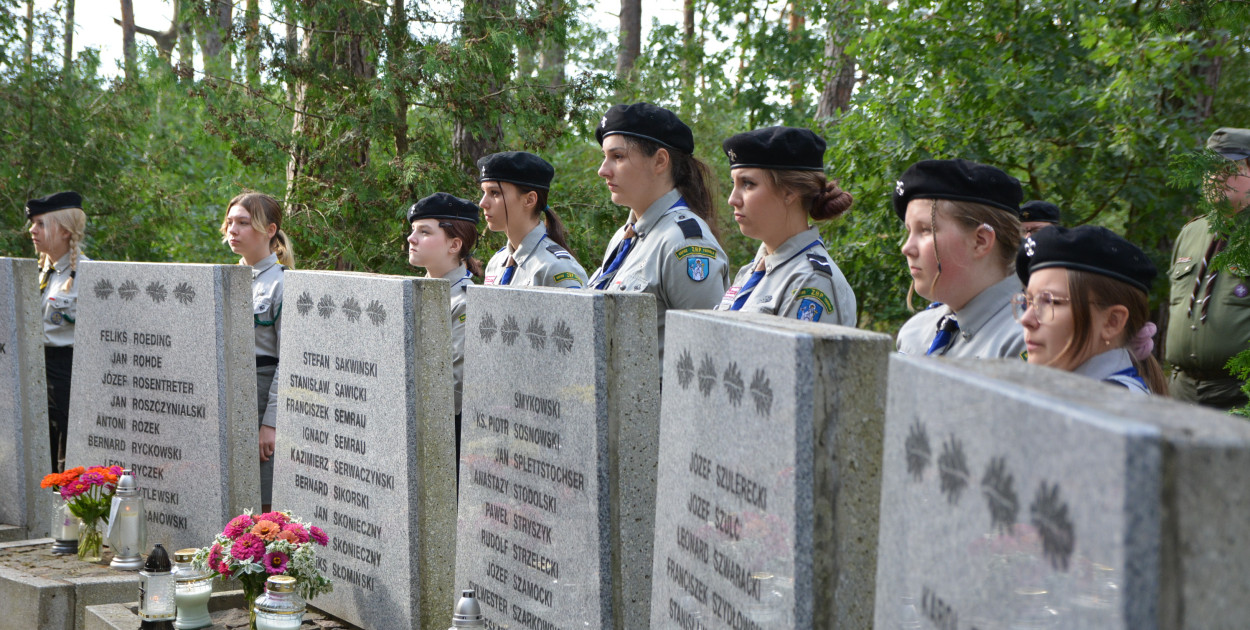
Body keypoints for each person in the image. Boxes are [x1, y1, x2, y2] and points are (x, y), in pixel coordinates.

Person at [588, 102, 729, 359]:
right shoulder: (625, 237)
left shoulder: (683, 243)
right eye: (604, 157)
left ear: (660, 161)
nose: (602, 170)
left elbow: (709, 354)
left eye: (617, 157)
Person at [713, 126, 857, 325]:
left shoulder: (811, 282)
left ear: (789, 191)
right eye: (733, 184)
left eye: (748, 184)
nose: (732, 199)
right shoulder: (750, 272)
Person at [894, 159, 1026, 359]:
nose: (907, 248)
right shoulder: (915, 333)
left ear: (980, 241)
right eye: (909, 232)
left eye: (926, 230)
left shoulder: (1027, 341)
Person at [1013, 225, 1166, 393]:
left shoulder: (1110, 406)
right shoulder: (1075, 393)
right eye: (1029, 301)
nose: (1026, 320)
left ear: (1112, 322)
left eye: (1051, 302)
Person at [1165, 127, 1250, 409]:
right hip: (1182, 392)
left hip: (1239, 396)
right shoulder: (1190, 233)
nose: (1215, 176)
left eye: (1228, 167)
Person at [221, 192, 292, 512]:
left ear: (270, 230)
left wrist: (271, 422)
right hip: (227, 392)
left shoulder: (282, 284)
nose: (232, 230)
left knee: (263, 497)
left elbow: (287, 361)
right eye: (230, 222)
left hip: (262, 390)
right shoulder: (225, 279)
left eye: (244, 223)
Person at [406, 192, 480, 467]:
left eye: (424, 232)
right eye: (413, 231)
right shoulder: (413, 293)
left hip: (441, 438)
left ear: (454, 244)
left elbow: (455, 388)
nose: (411, 239)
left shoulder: (464, 301)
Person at [26, 191, 89, 472]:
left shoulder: (87, 274)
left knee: (65, 443)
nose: (32, 230)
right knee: (39, 445)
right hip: (36, 366)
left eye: (40, 223)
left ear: (64, 230)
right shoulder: (41, 271)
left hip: (67, 369)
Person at [477, 151, 586, 289]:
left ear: (529, 200)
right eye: (484, 192)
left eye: (495, 193)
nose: (483, 203)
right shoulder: (496, 263)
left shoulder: (555, 267)